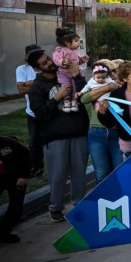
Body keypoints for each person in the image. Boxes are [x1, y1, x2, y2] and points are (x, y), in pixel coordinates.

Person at [27, 50, 89, 222]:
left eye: (48, 58)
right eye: (45, 63)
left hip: (78, 132)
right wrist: (56, 98)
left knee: (79, 172)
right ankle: (55, 207)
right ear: (37, 68)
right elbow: (39, 113)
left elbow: (85, 94)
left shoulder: (66, 72)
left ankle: (79, 205)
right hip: (55, 137)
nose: (50, 62)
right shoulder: (37, 86)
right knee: (58, 174)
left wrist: (76, 73)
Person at [0, 131, 30, 254]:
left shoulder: (5, 143)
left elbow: (25, 155)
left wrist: (23, 175)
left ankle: (5, 232)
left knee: (16, 208)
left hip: (14, 177)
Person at [78, 62, 122, 185]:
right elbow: (84, 99)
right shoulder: (94, 85)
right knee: (101, 174)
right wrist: (106, 88)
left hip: (116, 131)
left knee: (120, 170)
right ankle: (103, 202)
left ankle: (122, 201)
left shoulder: (119, 87)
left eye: (114, 71)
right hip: (96, 132)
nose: (113, 74)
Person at [16, 44, 45, 178]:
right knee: (34, 141)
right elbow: (21, 89)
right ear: (26, 56)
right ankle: (37, 167)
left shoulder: (46, 66)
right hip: (32, 112)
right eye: (33, 54)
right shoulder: (22, 69)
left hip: (49, 110)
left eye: (39, 54)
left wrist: (31, 83)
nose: (36, 57)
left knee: (53, 139)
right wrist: (39, 83)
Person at [52, 27, 89, 113]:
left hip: (75, 73)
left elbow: (77, 62)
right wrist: (63, 62)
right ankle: (66, 102)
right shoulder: (60, 51)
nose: (78, 43)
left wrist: (83, 59)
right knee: (66, 87)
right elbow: (56, 60)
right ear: (67, 43)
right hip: (64, 73)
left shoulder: (76, 52)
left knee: (75, 87)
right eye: (76, 41)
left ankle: (74, 101)